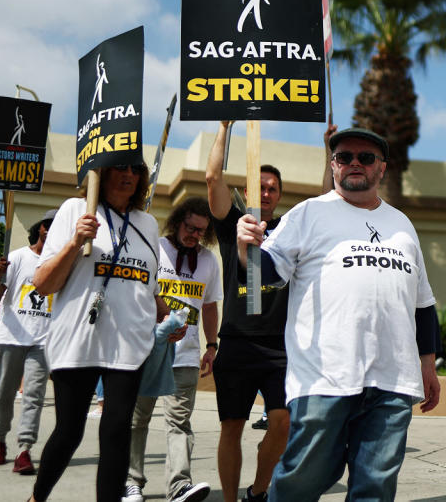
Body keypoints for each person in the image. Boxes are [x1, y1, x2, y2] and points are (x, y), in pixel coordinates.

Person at [236, 127, 441, 501]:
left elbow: (423, 304)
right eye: (344, 156)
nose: (354, 164)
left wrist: (428, 364)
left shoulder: (403, 226)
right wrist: (246, 246)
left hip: (393, 381)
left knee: (375, 488)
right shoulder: (308, 213)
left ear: (382, 169)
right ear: (333, 165)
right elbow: (265, 272)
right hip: (324, 377)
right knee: (304, 479)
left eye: (366, 158)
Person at [28, 163, 185, 502]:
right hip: (77, 340)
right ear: (102, 172)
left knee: (116, 430)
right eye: (119, 168)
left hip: (129, 345)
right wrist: (75, 241)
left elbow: (147, 282)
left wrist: (167, 315)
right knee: (69, 431)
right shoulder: (75, 210)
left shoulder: (147, 223)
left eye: (135, 170)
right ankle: (37, 497)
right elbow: (43, 283)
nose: (128, 175)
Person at [205, 121, 290, 502]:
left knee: (283, 423)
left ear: (279, 196)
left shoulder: (290, 230)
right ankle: (229, 499)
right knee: (232, 428)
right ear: (248, 190)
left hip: (280, 347)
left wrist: (326, 151)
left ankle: (258, 490)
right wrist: (224, 127)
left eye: (273, 188)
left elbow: (327, 197)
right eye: (261, 186)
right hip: (237, 343)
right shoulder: (231, 225)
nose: (266, 192)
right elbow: (211, 177)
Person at [123, 197, 222, 502]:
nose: (194, 234)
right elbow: (139, 294)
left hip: (187, 355)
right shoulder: (155, 250)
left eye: (200, 231)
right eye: (190, 227)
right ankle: (131, 482)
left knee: (179, 422)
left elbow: (208, 306)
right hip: (147, 350)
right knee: (137, 420)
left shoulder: (208, 261)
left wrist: (212, 344)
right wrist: (163, 316)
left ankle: (179, 485)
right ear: (178, 221)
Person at [0, 210, 56, 475]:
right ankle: (0, 440)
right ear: (39, 228)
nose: (51, 230)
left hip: (42, 341)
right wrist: (0, 273)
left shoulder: (60, 263)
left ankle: (24, 449)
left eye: (57, 227)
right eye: (47, 225)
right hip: (11, 338)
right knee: (4, 393)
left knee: (34, 396)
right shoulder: (17, 257)